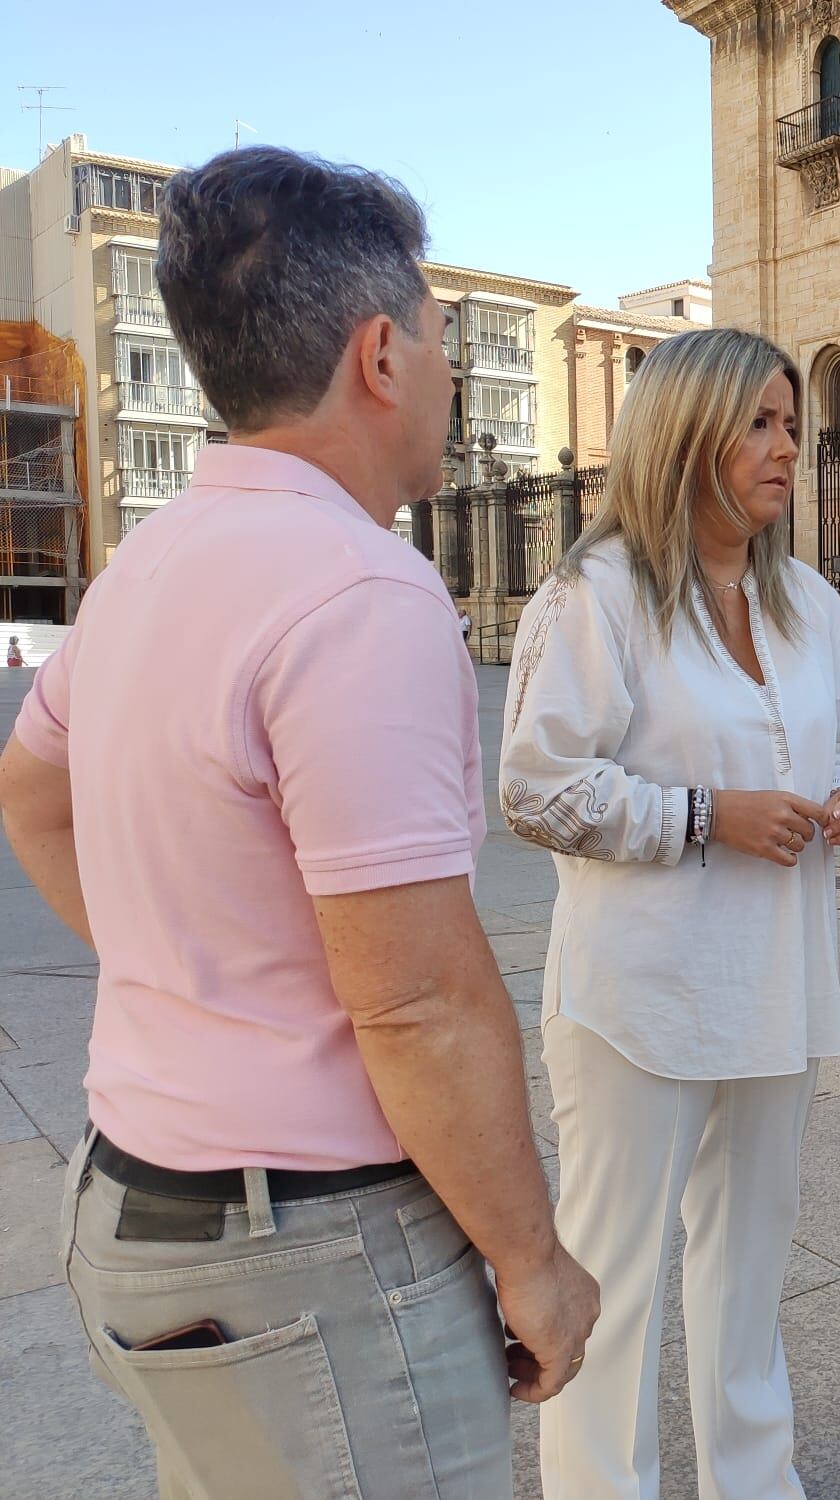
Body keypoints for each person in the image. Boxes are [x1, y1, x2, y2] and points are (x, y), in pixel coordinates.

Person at [0, 146, 598, 1497]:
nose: (446, 371)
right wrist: (532, 1261)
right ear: (382, 354)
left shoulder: (149, 561)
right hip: (310, 1256)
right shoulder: (358, 595)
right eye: (441, 338)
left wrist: (184, 972)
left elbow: (30, 790)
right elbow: (419, 1004)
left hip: (138, 1210)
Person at [499, 327, 840, 1500]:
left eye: (791, 427)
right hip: (639, 993)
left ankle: (753, 1485)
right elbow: (536, 787)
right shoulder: (593, 595)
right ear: (685, 433)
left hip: (774, 978)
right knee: (607, 1280)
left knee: (750, 1267)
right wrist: (706, 815)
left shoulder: (805, 601)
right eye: (759, 423)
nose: (785, 449)